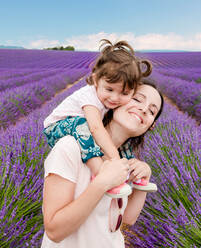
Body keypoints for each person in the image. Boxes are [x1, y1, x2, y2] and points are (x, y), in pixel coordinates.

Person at [41, 81, 164, 247]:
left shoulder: (123, 160)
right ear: (117, 98)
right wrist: (102, 183)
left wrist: (143, 180)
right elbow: (54, 231)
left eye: (151, 111)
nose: (143, 109)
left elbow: (126, 218)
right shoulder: (69, 148)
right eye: (137, 99)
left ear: (151, 125)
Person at [43, 39, 156, 198]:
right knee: (84, 125)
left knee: (120, 143)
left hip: (80, 129)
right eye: (109, 89)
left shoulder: (108, 98)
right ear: (96, 80)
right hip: (57, 127)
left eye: (124, 93)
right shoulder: (89, 96)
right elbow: (95, 128)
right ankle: (101, 173)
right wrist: (114, 158)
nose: (114, 98)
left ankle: (132, 173)